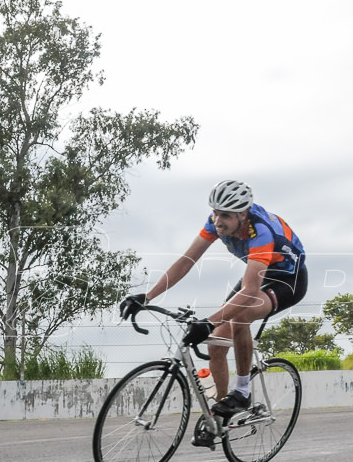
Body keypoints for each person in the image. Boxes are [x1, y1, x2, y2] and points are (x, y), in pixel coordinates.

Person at [119, 180, 307, 425]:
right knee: (216, 344)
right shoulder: (216, 222)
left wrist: (207, 322)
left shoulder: (260, 233)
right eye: (215, 213)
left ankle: (242, 393)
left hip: (288, 281)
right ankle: (221, 413)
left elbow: (250, 291)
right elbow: (187, 261)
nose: (218, 221)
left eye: (225, 216)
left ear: (242, 214)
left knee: (240, 314)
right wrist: (147, 296)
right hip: (258, 272)